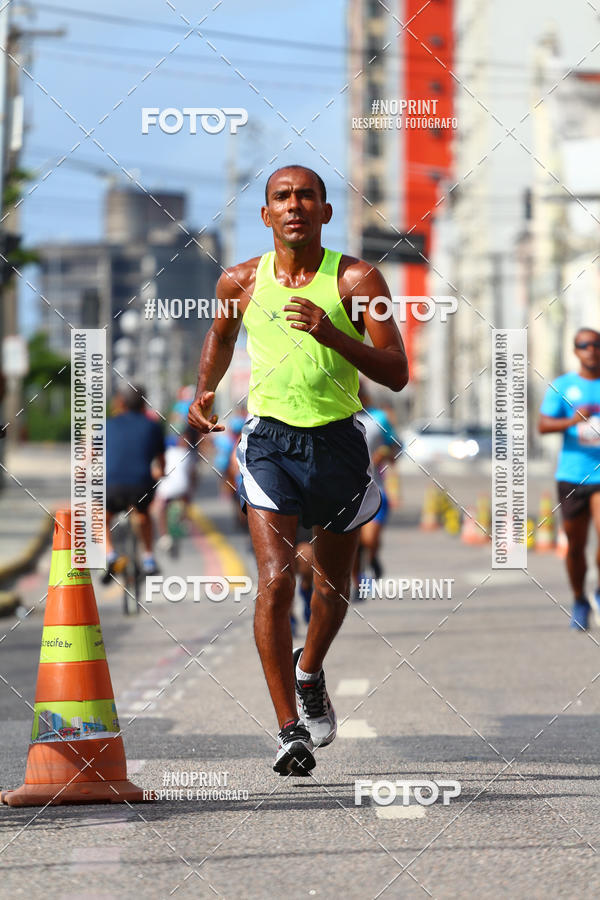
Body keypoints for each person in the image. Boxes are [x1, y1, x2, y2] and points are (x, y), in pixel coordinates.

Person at [188, 164, 408, 775]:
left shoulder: (357, 279)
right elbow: (221, 336)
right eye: (281, 197)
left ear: (325, 212)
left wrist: (332, 335)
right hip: (268, 443)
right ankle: (289, 729)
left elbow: (395, 370)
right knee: (276, 580)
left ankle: (309, 670)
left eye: (306, 196)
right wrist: (204, 393)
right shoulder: (238, 280)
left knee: (332, 589)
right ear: (266, 215)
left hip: (339, 443)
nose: (294, 206)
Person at [538, 327, 600, 631]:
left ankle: (599, 590)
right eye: (584, 345)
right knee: (576, 547)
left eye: (596, 345)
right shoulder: (563, 386)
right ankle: (579, 599)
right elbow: (543, 425)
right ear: (576, 351)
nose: (591, 350)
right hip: (572, 475)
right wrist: (572, 421)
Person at [103, 384, 165, 581]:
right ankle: (148, 558)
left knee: (101, 517)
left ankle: (110, 554)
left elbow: (90, 456)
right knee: (144, 514)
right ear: (144, 404)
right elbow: (161, 461)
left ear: (120, 403)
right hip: (141, 486)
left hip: (112, 487)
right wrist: (160, 472)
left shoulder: (107, 425)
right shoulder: (153, 427)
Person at [353, 382, 401, 598]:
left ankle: (372, 559)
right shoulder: (335, 418)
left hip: (376, 490)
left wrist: (384, 454)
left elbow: (396, 446)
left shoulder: (378, 418)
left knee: (369, 539)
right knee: (353, 545)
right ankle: (358, 584)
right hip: (346, 494)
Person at [155, 426, 198, 553]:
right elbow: (192, 475)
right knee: (187, 496)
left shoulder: (168, 452)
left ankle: (164, 535)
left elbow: (158, 471)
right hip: (182, 489)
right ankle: (184, 519)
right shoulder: (189, 454)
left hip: (166, 489)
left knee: (159, 508)